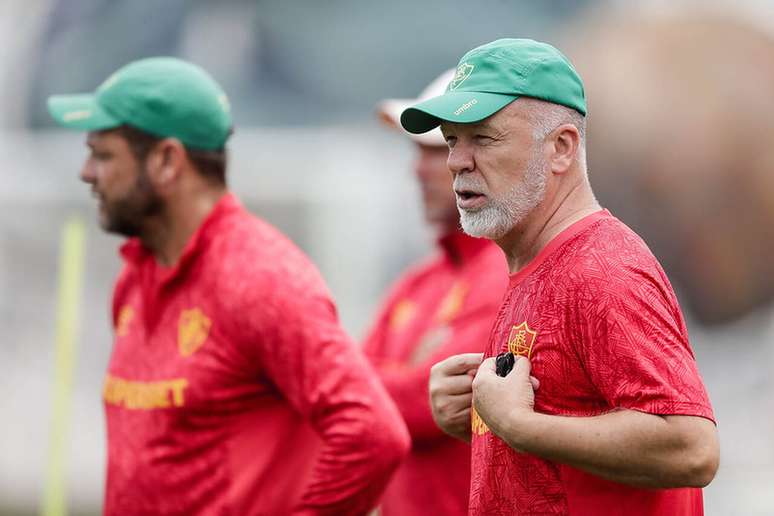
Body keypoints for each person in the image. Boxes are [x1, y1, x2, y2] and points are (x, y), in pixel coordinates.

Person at [47, 57, 409, 515]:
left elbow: (372, 433)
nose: (86, 173)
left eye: (102, 155)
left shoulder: (260, 277)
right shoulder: (137, 273)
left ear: (167, 160)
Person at [401, 39, 719, 515]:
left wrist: (518, 425)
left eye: (483, 138)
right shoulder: (536, 261)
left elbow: (691, 447)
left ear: (562, 147)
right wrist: (477, 416)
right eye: (452, 140)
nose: (456, 162)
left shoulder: (601, 268)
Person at [363, 71, 508, 515]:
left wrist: (386, 380)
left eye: (438, 149)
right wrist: (404, 380)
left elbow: (427, 409)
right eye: (424, 151)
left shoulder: (509, 274)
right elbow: (344, 396)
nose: (420, 169)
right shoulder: (415, 284)